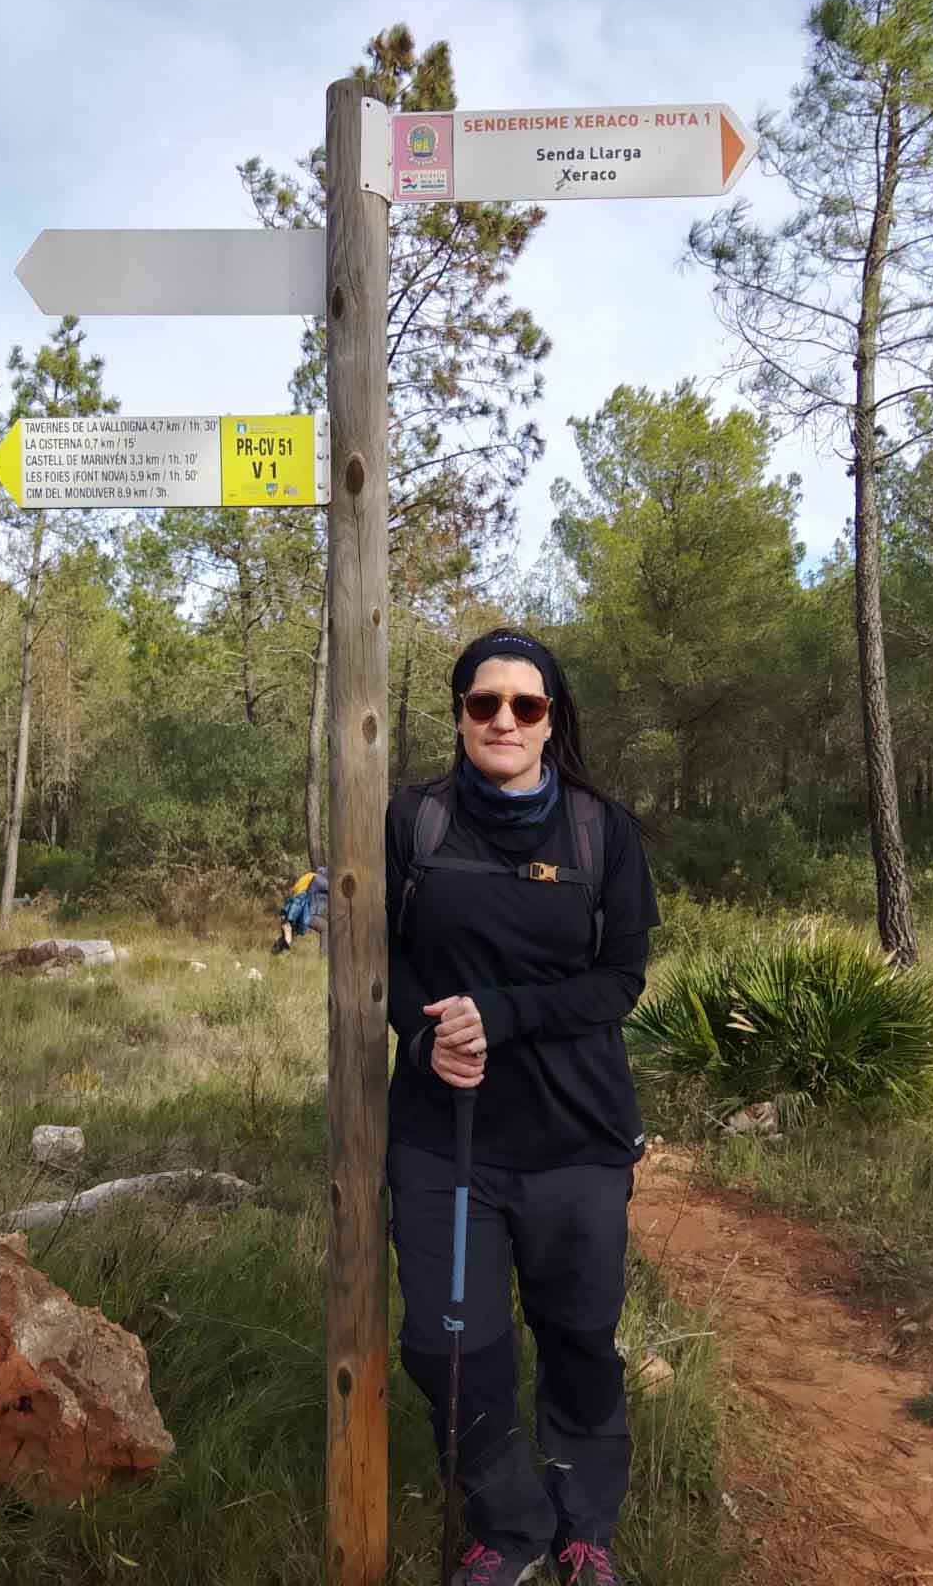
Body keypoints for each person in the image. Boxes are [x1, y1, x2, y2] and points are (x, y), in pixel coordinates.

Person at [385, 629, 661, 1586]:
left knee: (579, 1338)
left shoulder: (600, 830)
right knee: (448, 1344)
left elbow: (619, 981)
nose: (503, 719)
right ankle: (508, 1528)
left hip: (577, 1138)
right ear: (460, 715)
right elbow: (386, 959)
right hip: (444, 1140)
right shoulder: (413, 822)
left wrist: (500, 1017)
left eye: (525, 705)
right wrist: (423, 1040)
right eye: (484, 702)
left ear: (551, 721)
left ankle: (585, 1530)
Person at [272, 866, 329, 956]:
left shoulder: (313, 878)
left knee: (290, 935)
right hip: (307, 913)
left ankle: (274, 953)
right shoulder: (319, 880)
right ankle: (323, 955)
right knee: (325, 927)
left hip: (298, 911)